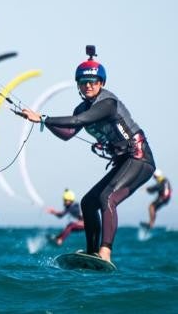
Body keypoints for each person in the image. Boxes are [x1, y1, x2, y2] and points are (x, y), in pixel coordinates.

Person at [19, 46, 155, 263]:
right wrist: (38, 121)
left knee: (106, 198)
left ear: (101, 83)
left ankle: (106, 252)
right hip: (124, 162)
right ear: (79, 85)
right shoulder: (81, 108)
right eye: (84, 82)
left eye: (93, 81)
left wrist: (43, 118)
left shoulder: (108, 103)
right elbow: (68, 133)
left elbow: (78, 122)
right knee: (88, 203)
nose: (89, 85)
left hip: (140, 159)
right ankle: (92, 252)